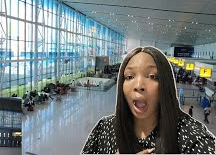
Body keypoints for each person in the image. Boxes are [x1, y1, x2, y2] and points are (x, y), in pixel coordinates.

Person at [81, 46, 215, 154]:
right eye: (129, 77)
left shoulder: (191, 137)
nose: (138, 85)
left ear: (165, 83)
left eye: (152, 76)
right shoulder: (104, 129)